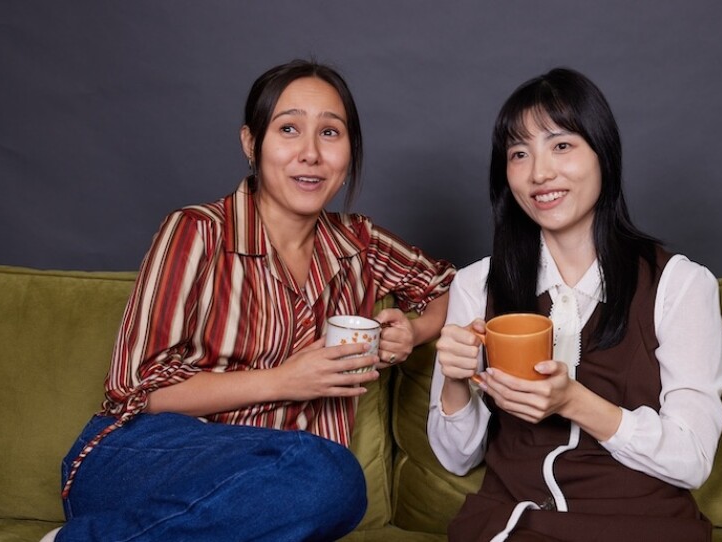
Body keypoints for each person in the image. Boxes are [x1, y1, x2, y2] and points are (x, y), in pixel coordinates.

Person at [51, 59, 454, 542]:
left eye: (330, 133)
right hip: (137, 458)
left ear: (349, 154)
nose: (310, 153)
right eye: (289, 129)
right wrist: (284, 381)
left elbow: (447, 285)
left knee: (332, 484)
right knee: (324, 468)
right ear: (251, 143)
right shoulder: (198, 230)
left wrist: (416, 330)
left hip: (267, 490)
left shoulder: (358, 244)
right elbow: (136, 388)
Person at [427, 68, 722, 541]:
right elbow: (456, 457)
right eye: (519, 153)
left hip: (639, 526)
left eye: (561, 145)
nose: (540, 173)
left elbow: (692, 460)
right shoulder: (476, 285)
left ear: (602, 154)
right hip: (512, 524)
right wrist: (454, 381)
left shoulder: (681, 285)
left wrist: (574, 401)